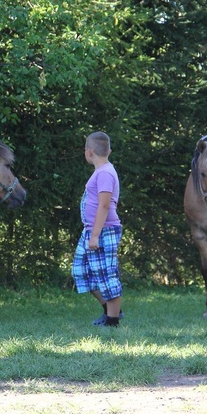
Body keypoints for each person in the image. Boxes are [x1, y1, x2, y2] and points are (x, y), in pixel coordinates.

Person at [71, 131, 124, 327]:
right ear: (108, 150)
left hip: (103, 231)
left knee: (106, 274)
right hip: (91, 231)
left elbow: (104, 205)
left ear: (89, 152)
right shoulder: (100, 172)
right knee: (81, 271)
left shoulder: (105, 173)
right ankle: (111, 310)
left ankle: (112, 321)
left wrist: (95, 235)